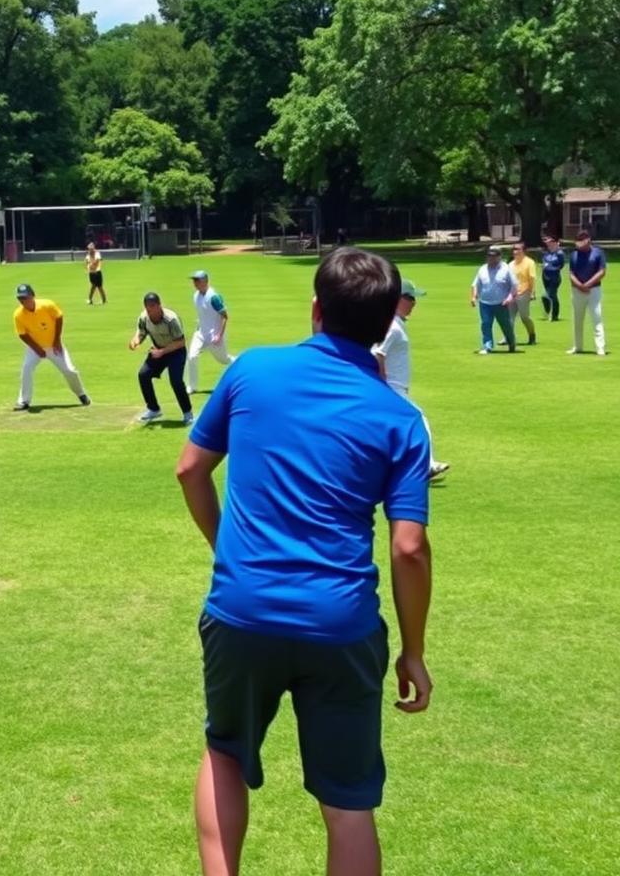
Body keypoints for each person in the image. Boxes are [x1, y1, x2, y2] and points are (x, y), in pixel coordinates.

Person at [175, 247, 432, 876]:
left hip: (242, 610)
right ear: (387, 324)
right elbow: (409, 547)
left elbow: (189, 470)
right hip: (341, 624)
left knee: (225, 755)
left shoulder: (253, 371)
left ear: (315, 309)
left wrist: (228, 552)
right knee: (348, 806)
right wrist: (414, 651)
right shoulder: (401, 418)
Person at [373, 279, 450, 479]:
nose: (414, 302)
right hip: (392, 388)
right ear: (396, 299)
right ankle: (427, 465)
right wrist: (381, 386)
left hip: (394, 388)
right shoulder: (392, 326)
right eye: (409, 298)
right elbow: (377, 353)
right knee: (417, 418)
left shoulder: (394, 323)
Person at [12, 283, 90, 411]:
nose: (23, 301)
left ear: (33, 296)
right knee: (26, 369)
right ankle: (23, 401)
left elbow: (59, 317)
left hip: (53, 345)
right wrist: (37, 349)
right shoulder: (18, 314)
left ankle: (81, 394)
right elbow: (22, 334)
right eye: (20, 299)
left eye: (26, 298)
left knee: (69, 370)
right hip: (35, 347)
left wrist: (57, 340)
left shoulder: (47, 305)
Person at [129, 292, 194, 424]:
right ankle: (153, 409)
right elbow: (141, 333)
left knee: (176, 381)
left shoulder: (171, 319)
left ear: (159, 305)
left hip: (176, 351)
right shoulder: (144, 318)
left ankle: (188, 413)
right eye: (147, 308)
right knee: (143, 374)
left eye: (152, 307)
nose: (150, 311)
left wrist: (162, 352)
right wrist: (135, 341)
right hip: (158, 350)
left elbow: (181, 342)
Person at [186, 270, 236, 394]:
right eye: (194, 280)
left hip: (214, 335)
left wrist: (219, 335)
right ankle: (192, 386)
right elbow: (203, 314)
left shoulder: (213, 297)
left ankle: (240, 361)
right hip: (200, 333)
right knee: (192, 356)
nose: (195, 283)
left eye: (197, 280)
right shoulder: (195, 296)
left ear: (205, 281)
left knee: (224, 360)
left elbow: (225, 316)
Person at [470, 245, 517, 354]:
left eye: (494, 256)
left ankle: (511, 343)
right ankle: (487, 346)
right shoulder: (482, 269)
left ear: (499, 257)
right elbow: (476, 284)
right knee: (485, 324)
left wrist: (509, 298)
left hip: (501, 303)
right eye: (489, 256)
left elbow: (514, 286)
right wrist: (474, 297)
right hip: (485, 303)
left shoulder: (506, 269)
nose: (491, 259)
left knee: (506, 325)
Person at [567, 230, 607, 356]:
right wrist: (579, 285)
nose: (579, 244)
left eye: (581, 241)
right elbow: (571, 273)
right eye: (577, 241)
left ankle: (600, 347)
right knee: (577, 319)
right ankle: (577, 347)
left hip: (594, 290)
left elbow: (602, 272)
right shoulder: (574, 254)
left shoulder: (598, 253)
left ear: (588, 240)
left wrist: (587, 284)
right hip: (577, 290)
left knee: (596, 317)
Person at [507, 241, 537, 345]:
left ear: (523, 251)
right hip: (512, 293)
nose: (515, 251)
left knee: (524, 317)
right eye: (514, 249)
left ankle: (532, 334)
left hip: (524, 292)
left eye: (517, 249)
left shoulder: (530, 262)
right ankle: (509, 338)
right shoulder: (510, 264)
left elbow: (532, 278)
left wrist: (532, 292)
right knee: (509, 318)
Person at [540, 235, 565, 321]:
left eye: (550, 243)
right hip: (545, 277)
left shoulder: (559, 253)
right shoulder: (546, 253)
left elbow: (561, 265)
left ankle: (554, 315)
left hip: (555, 278)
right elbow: (544, 262)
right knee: (548, 296)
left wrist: (550, 267)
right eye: (547, 243)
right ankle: (549, 312)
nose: (548, 245)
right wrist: (544, 267)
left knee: (550, 295)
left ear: (554, 243)